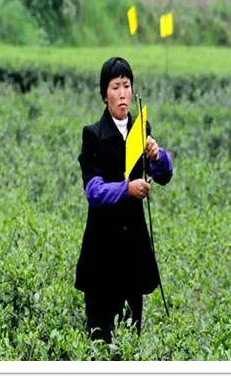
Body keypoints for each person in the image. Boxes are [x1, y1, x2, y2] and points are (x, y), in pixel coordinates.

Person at [75, 57, 174, 343]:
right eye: (115, 86)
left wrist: (157, 155)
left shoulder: (141, 128)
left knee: (132, 335)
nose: (122, 93)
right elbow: (93, 191)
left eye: (126, 86)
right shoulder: (92, 135)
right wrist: (126, 189)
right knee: (99, 335)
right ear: (104, 93)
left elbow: (164, 175)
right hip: (101, 247)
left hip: (133, 246)